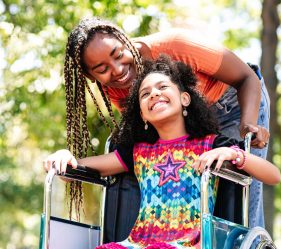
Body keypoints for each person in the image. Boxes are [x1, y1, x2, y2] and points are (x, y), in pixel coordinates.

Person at [44, 56, 280, 249]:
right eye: (145, 94)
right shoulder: (138, 152)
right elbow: (83, 167)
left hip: (190, 244)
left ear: (185, 98)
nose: (154, 95)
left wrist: (234, 154)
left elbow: (274, 175)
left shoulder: (212, 144)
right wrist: (65, 157)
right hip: (139, 242)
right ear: (142, 114)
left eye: (162, 87)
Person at [64, 16, 270, 230]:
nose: (116, 69)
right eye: (102, 69)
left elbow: (247, 78)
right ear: (90, 76)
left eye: (118, 54)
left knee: (239, 200)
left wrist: (247, 125)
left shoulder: (176, 45)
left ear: (124, 40)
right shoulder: (116, 86)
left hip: (234, 104)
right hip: (186, 121)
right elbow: (149, 134)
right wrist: (74, 163)